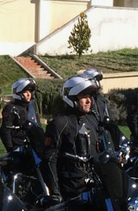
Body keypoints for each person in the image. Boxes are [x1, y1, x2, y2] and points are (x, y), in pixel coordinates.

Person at [41, 74, 103, 202]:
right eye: (84, 96)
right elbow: (49, 159)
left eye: (90, 96)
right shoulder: (60, 123)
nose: (89, 101)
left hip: (94, 185)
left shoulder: (92, 120)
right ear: (72, 98)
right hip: (71, 189)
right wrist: (55, 192)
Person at [0, 78, 42, 152]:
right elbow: (5, 130)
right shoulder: (11, 108)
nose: (29, 94)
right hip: (18, 148)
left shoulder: (30, 107)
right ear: (18, 93)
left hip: (32, 146)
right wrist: (11, 149)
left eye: (30, 92)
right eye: (26, 92)